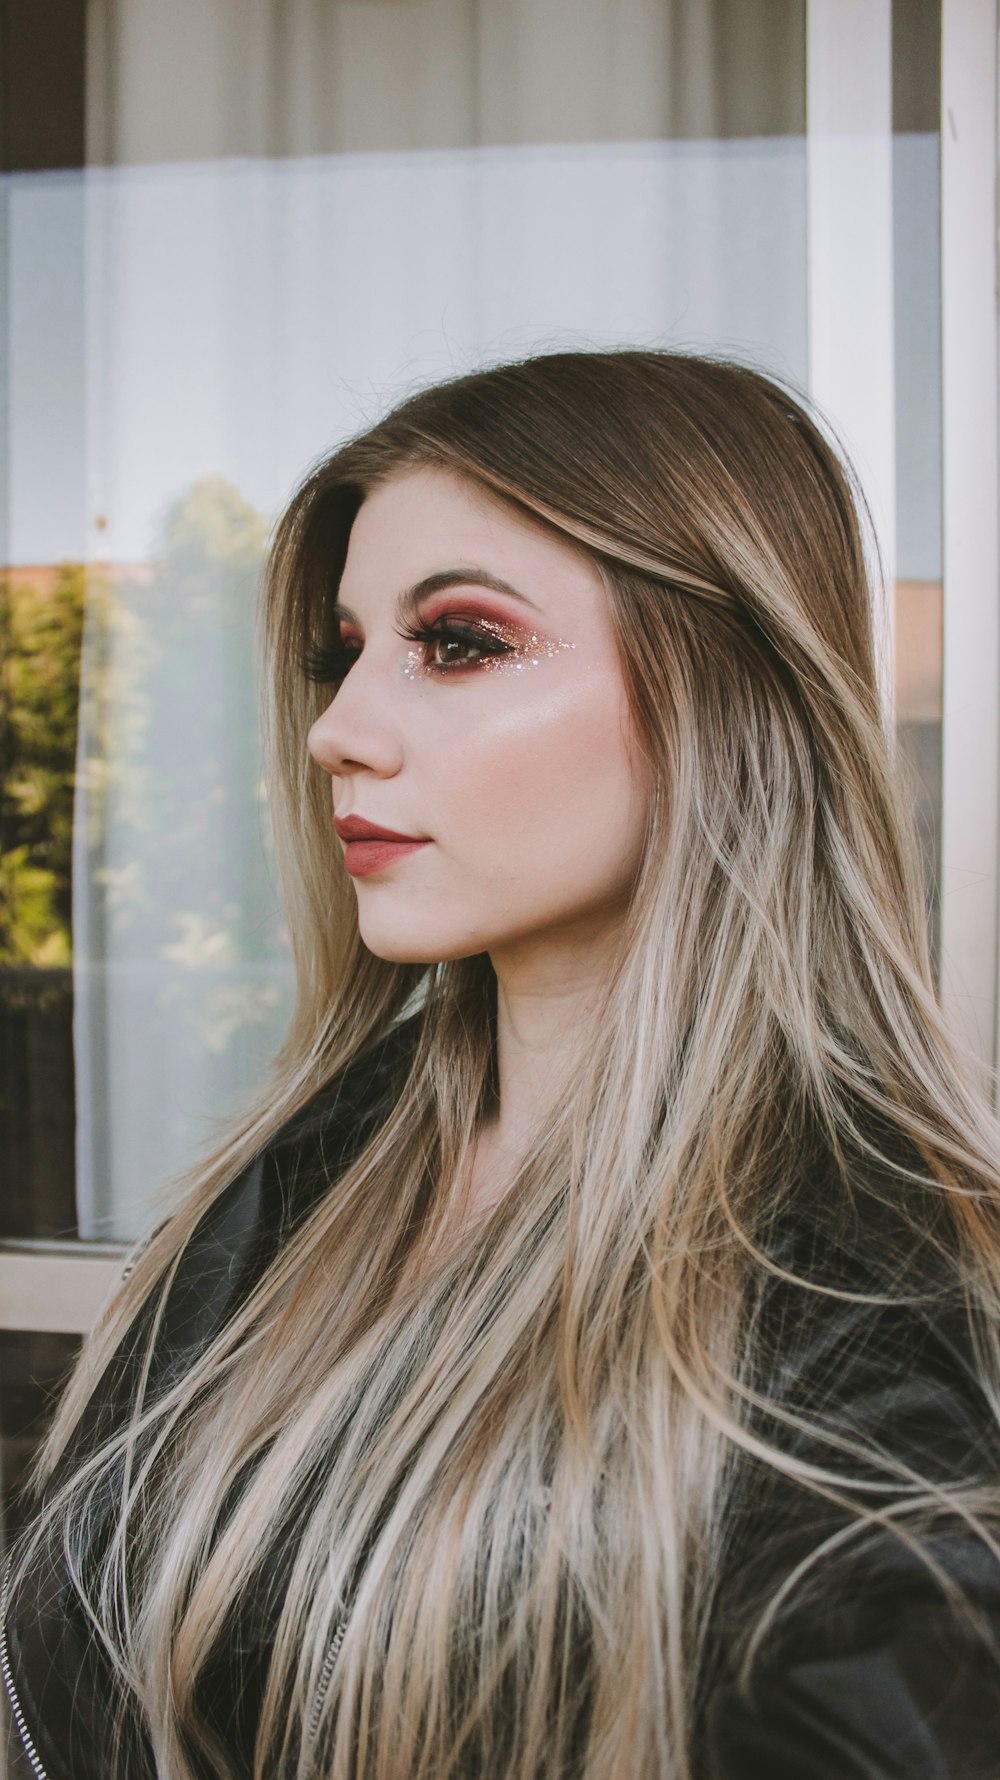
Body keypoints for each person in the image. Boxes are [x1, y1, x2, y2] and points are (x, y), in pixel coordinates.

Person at [5, 348, 1000, 1780]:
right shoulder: (301, 1184)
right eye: (341, 652)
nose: (338, 732)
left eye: (459, 642)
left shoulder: (874, 1303)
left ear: (729, 691)